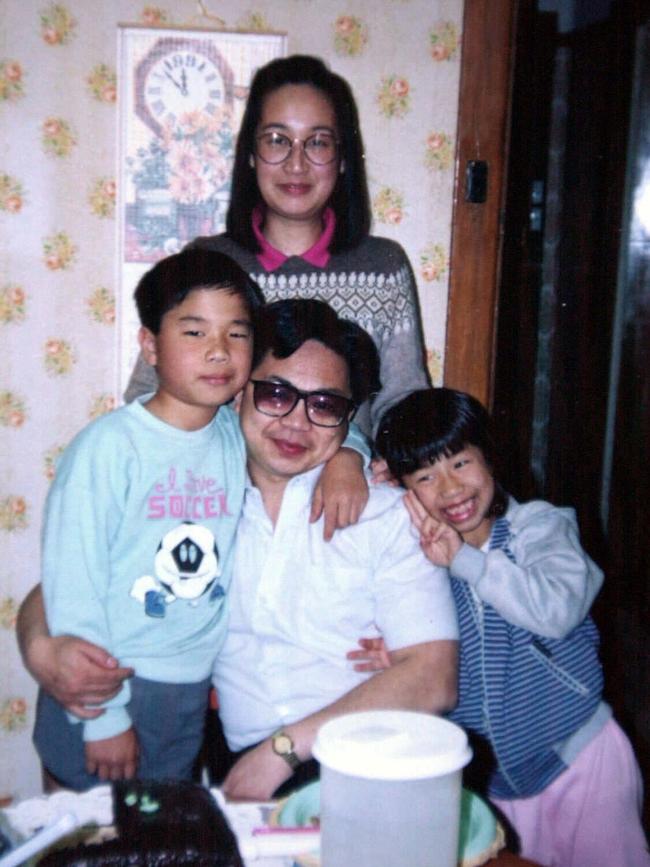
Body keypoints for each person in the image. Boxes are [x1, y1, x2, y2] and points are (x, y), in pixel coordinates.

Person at [19, 300, 458, 800]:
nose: (297, 423)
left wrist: (283, 751)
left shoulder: (385, 516)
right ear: (237, 395)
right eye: (275, 394)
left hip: (365, 761)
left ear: (346, 419)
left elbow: (434, 676)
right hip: (238, 773)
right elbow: (68, 581)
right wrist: (39, 648)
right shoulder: (192, 500)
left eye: (324, 405)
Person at [370, 387, 650, 867]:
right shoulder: (423, 566)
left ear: (490, 459)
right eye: (426, 476)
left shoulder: (540, 528)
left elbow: (556, 609)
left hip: (581, 759)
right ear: (406, 492)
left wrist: (464, 561)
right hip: (495, 788)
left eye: (460, 463)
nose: (451, 489)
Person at [125, 54, 429, 437]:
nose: (296, 164)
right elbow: (150, 395)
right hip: (230, 490)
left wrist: (371, 459)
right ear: (251, 155)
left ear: (343, 158)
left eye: (317, 142)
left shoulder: (383, 266)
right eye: (276, 140)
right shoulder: (208, 264)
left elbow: (404, 406)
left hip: (351, 491)